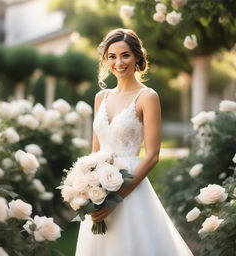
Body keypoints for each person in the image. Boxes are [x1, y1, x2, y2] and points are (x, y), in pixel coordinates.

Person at [75, 28, 193, 256]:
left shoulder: (147, 97)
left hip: (131, 184)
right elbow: (94, 152)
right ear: (106, 60)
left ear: (138, 57)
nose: (118, 62)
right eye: (112, 56)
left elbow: (153, 155)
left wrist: (117, 198)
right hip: (99, 185)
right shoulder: (101, 97)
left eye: (125, 55)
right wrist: (88, 188)